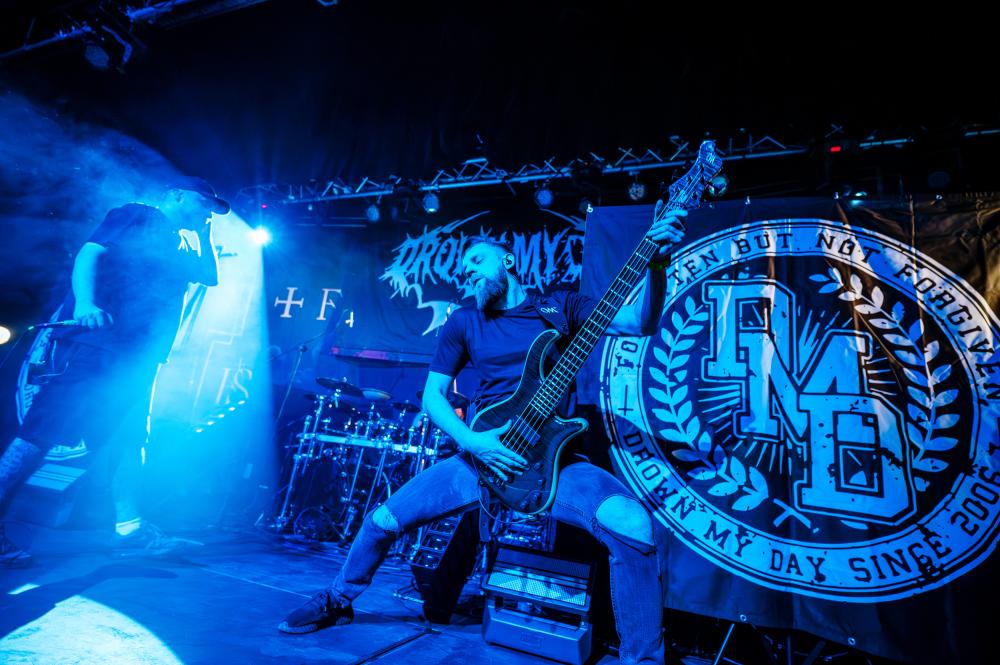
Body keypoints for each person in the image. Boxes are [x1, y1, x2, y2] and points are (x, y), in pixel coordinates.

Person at [279, 203, 686, 665]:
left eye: (475, 260)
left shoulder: (561, 307)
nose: (466, 271)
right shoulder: (463, 321)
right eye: (462, 267)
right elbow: (434, 396)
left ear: (507, 260)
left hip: (553, 462)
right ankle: (338, 598)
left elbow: (639, 322)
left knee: (632, 522)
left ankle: (642, 658)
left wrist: (657, 264)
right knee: (382, 522)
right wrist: (472, 442)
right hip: (480, 457)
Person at [0, 176, 228, 566]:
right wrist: (85, 304)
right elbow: (90, 253)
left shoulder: (179, 244)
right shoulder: (138, 215)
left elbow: (210, 276)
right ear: (176, 194)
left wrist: (204, 233)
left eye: (212, 208)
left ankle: (130, 528)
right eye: (202, 202)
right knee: (41, 433)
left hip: (136, 359)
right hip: (98, 348)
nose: (207, 211)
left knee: (129, 438)